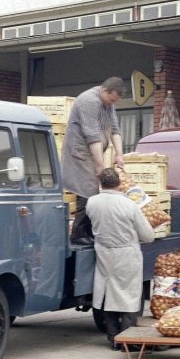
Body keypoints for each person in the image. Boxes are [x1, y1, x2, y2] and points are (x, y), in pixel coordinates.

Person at [85, 167, 154, 350]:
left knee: (110, 295)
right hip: (126, 255)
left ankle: (113, 338)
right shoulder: (128, 204)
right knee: (129, 298)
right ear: (120, 183)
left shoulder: (91, 202)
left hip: (104, 254)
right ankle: (128, 341)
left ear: (101, 183)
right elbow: (148, 235)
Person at [61, 76, 127, 245]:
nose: (112, 104)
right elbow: (92, 136)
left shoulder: (108, 104)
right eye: (111, 99)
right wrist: (100, 166)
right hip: (80, 151)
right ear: (104, 90)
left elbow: (115, 130)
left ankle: (89, 231)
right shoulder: (89, 101)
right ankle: (78, 234)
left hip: (94, 150)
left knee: (93, 190)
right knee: (88, 188)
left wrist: (119, 154)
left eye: (115, 101)